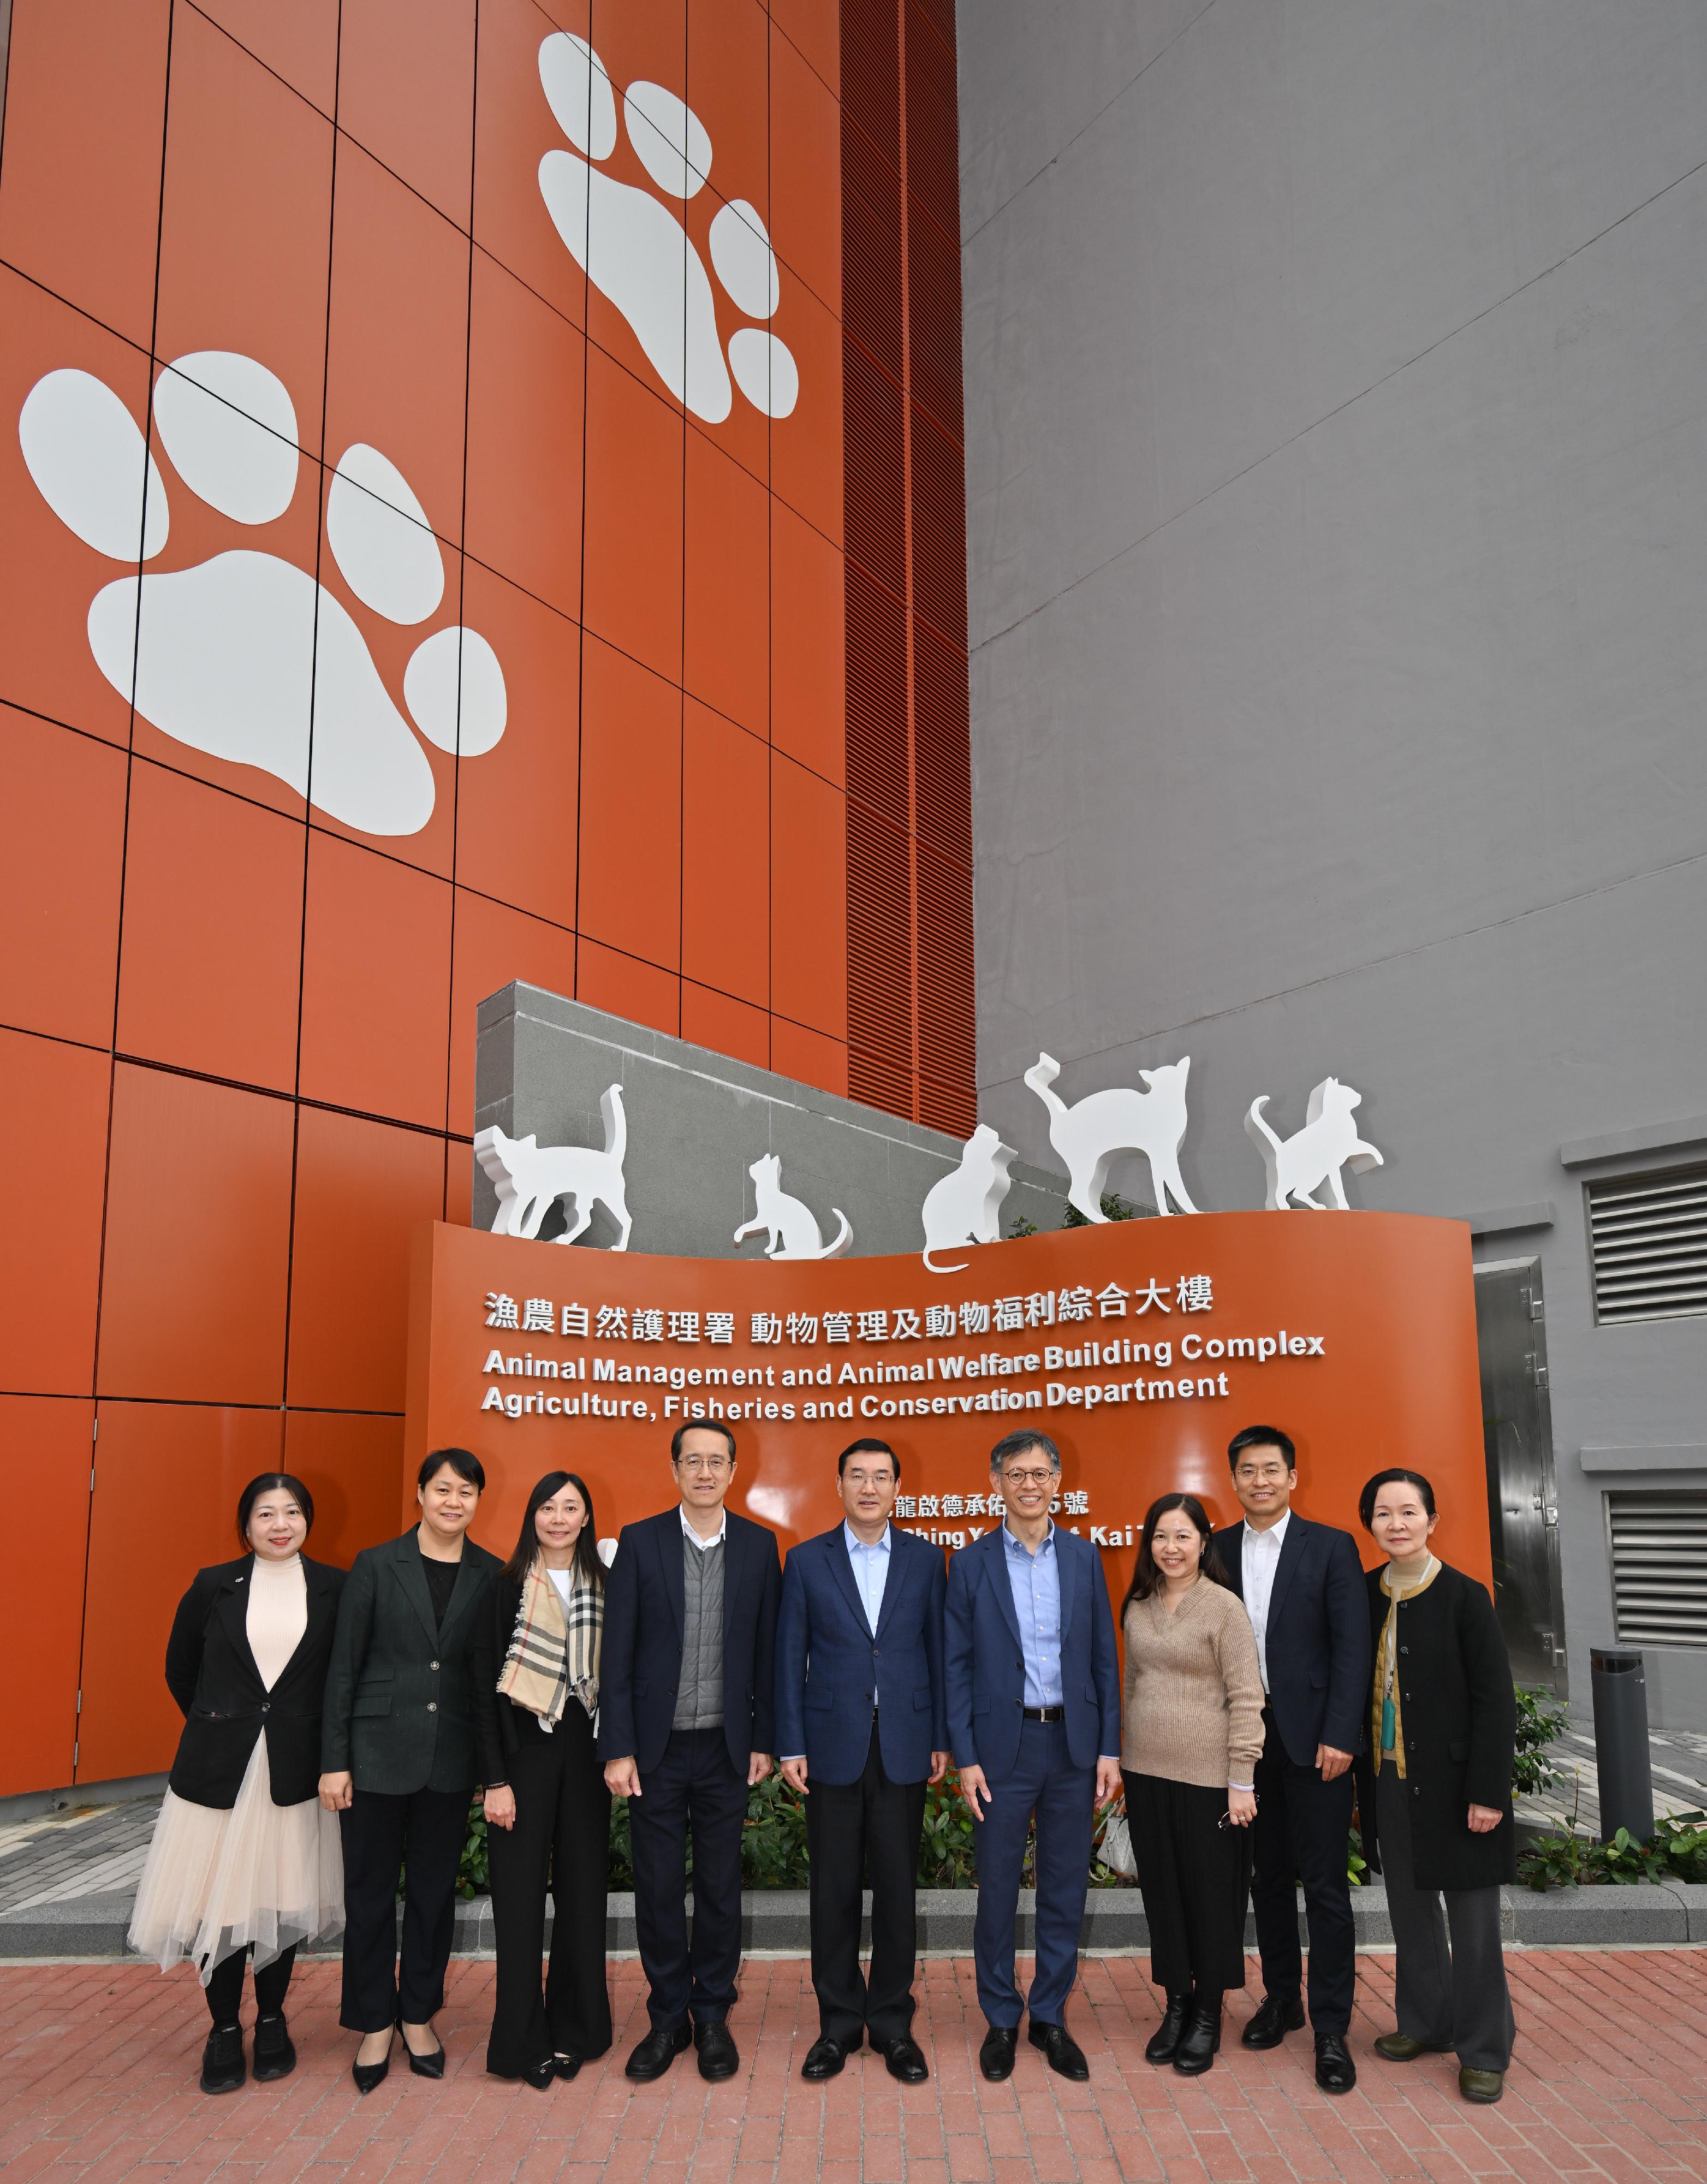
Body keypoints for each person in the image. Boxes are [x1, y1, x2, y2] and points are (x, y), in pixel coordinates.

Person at [130, 1474, 346, 2096]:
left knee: (280, 1900)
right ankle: (224, 2028)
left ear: (308, 1519)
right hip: (219, 1774)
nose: (281, 1524)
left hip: (295, 1773)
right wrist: (221, 1725)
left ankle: (273, 2020)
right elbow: (180, 1671)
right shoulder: (213, 1585)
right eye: (266, 1513)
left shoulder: (336, 1587)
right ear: (246, 1524)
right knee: (220, 1906)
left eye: (292, 1512)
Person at [599, 1418, 782, 2084]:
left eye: (716, 1462)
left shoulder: (762, 1547)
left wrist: (764, 1739)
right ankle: (667, 2017)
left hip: (726, 1750)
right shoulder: (642, 1544)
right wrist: (616, 1747)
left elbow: (767, 1654)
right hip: (655, 1752)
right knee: (655, 1887)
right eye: (692, 1461)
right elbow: (614, 1654)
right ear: (674, 1469)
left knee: (718, 1888)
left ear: (735, 1471)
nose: (705, 1473)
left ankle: (711, 2016)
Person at [320, 1447, 501, 2093]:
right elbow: (343, 1667)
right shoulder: (375, 1564)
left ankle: (417, 2015)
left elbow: (488, 1679)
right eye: (443, 1490)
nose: (455, 1502)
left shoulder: (491, 1572)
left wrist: (492, 1766)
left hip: (449, 1761)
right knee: (369, 1897)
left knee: (430, 1898)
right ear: (420, 1493)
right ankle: (374, 2021)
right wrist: (334, 1761)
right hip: (372, 1758)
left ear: (480, 1501)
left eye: (467, 1493)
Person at [945, 1431, 1121, 2084]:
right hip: (1000, 1751)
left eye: (1041, 1473)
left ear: (1057, 1481)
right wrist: (965, 1755)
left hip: (1072, 1749)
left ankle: (1048, 2014)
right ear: (995, 1481)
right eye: (1016, 1473)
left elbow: (1104, 1658)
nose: (1029, 1484)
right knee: (996, 1889)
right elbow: (955, 1667)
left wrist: (1109, 1747)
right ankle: (999, 2016)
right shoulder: (969, 1563)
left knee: (1064, 1887)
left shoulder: (1082, 1556)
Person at [775, 1438, 949, 2084]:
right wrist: (791, 1741)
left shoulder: (927, 1560)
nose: (869, 1487)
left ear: (898, 1487)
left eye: (881, 1476)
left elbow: (937, 1649)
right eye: (858, 1476)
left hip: (904, 1744)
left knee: (899, 1891)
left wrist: (941, 1737)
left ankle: (893, 2026)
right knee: (835, 1891)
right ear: (839, 1485)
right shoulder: (806, 1560)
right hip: (831, 1746)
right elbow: (789, 1657)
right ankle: (839, 2025)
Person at [1211, 1425, 1370, 2093]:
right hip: (1246, 1737)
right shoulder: (1216, 1548)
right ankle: (1283, 1999)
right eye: (1247, 1470)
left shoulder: (1331, 1546)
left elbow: (1351, 1647)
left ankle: (1332, 2028)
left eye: (1271, 1469)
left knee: (1326, 1885)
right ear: (1234, 1479)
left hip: (1315, 1742)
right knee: (1266, 1877)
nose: (1260, 1480)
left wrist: (1341, 1734)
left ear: (1292, 1476)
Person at [1354, 1468, 1517, 2105]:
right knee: (1410, 1913)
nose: (1395, 1524)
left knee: (1474, 1925)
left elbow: (1494, 1703)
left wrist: (1487, 1793)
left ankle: (1484, 2049)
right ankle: (1426, 2023)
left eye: (1408, 1512)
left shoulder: (1463, 1595)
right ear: (1369, 1523)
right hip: (1390, 1782)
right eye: (1382, 1514)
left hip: (1456, 1788)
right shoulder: (1364, 1593)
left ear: (1431, 1519)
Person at [474, 1471, 614, 2088]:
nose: (558, 1518)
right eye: (547, 1507)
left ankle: (578, 2029)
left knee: (583, 1898)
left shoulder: (607, 1584)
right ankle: (519, 2041)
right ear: (532, 1515)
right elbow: (481, 1694)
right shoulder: (502, 1588)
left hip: (587, 1755)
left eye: (571, 1508)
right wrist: (494, 1780)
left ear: (586, 1518)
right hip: (522, 1756)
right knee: (520, 1904)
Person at [1120, 1494, 1265, 2076]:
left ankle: (1208, 2013)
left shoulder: (1224, 1608)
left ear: (1205, 1542)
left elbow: (1247, 1697)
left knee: (1210, 1899)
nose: (1171, 1548)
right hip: (1146, 1773)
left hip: (1210, 1781)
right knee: (1165, 1898)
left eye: (1183, 1536)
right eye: (1160, 1536)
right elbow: (1131, 1684)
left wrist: (1241, 1779)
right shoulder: (1137, 1603)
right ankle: (1175, 2004)